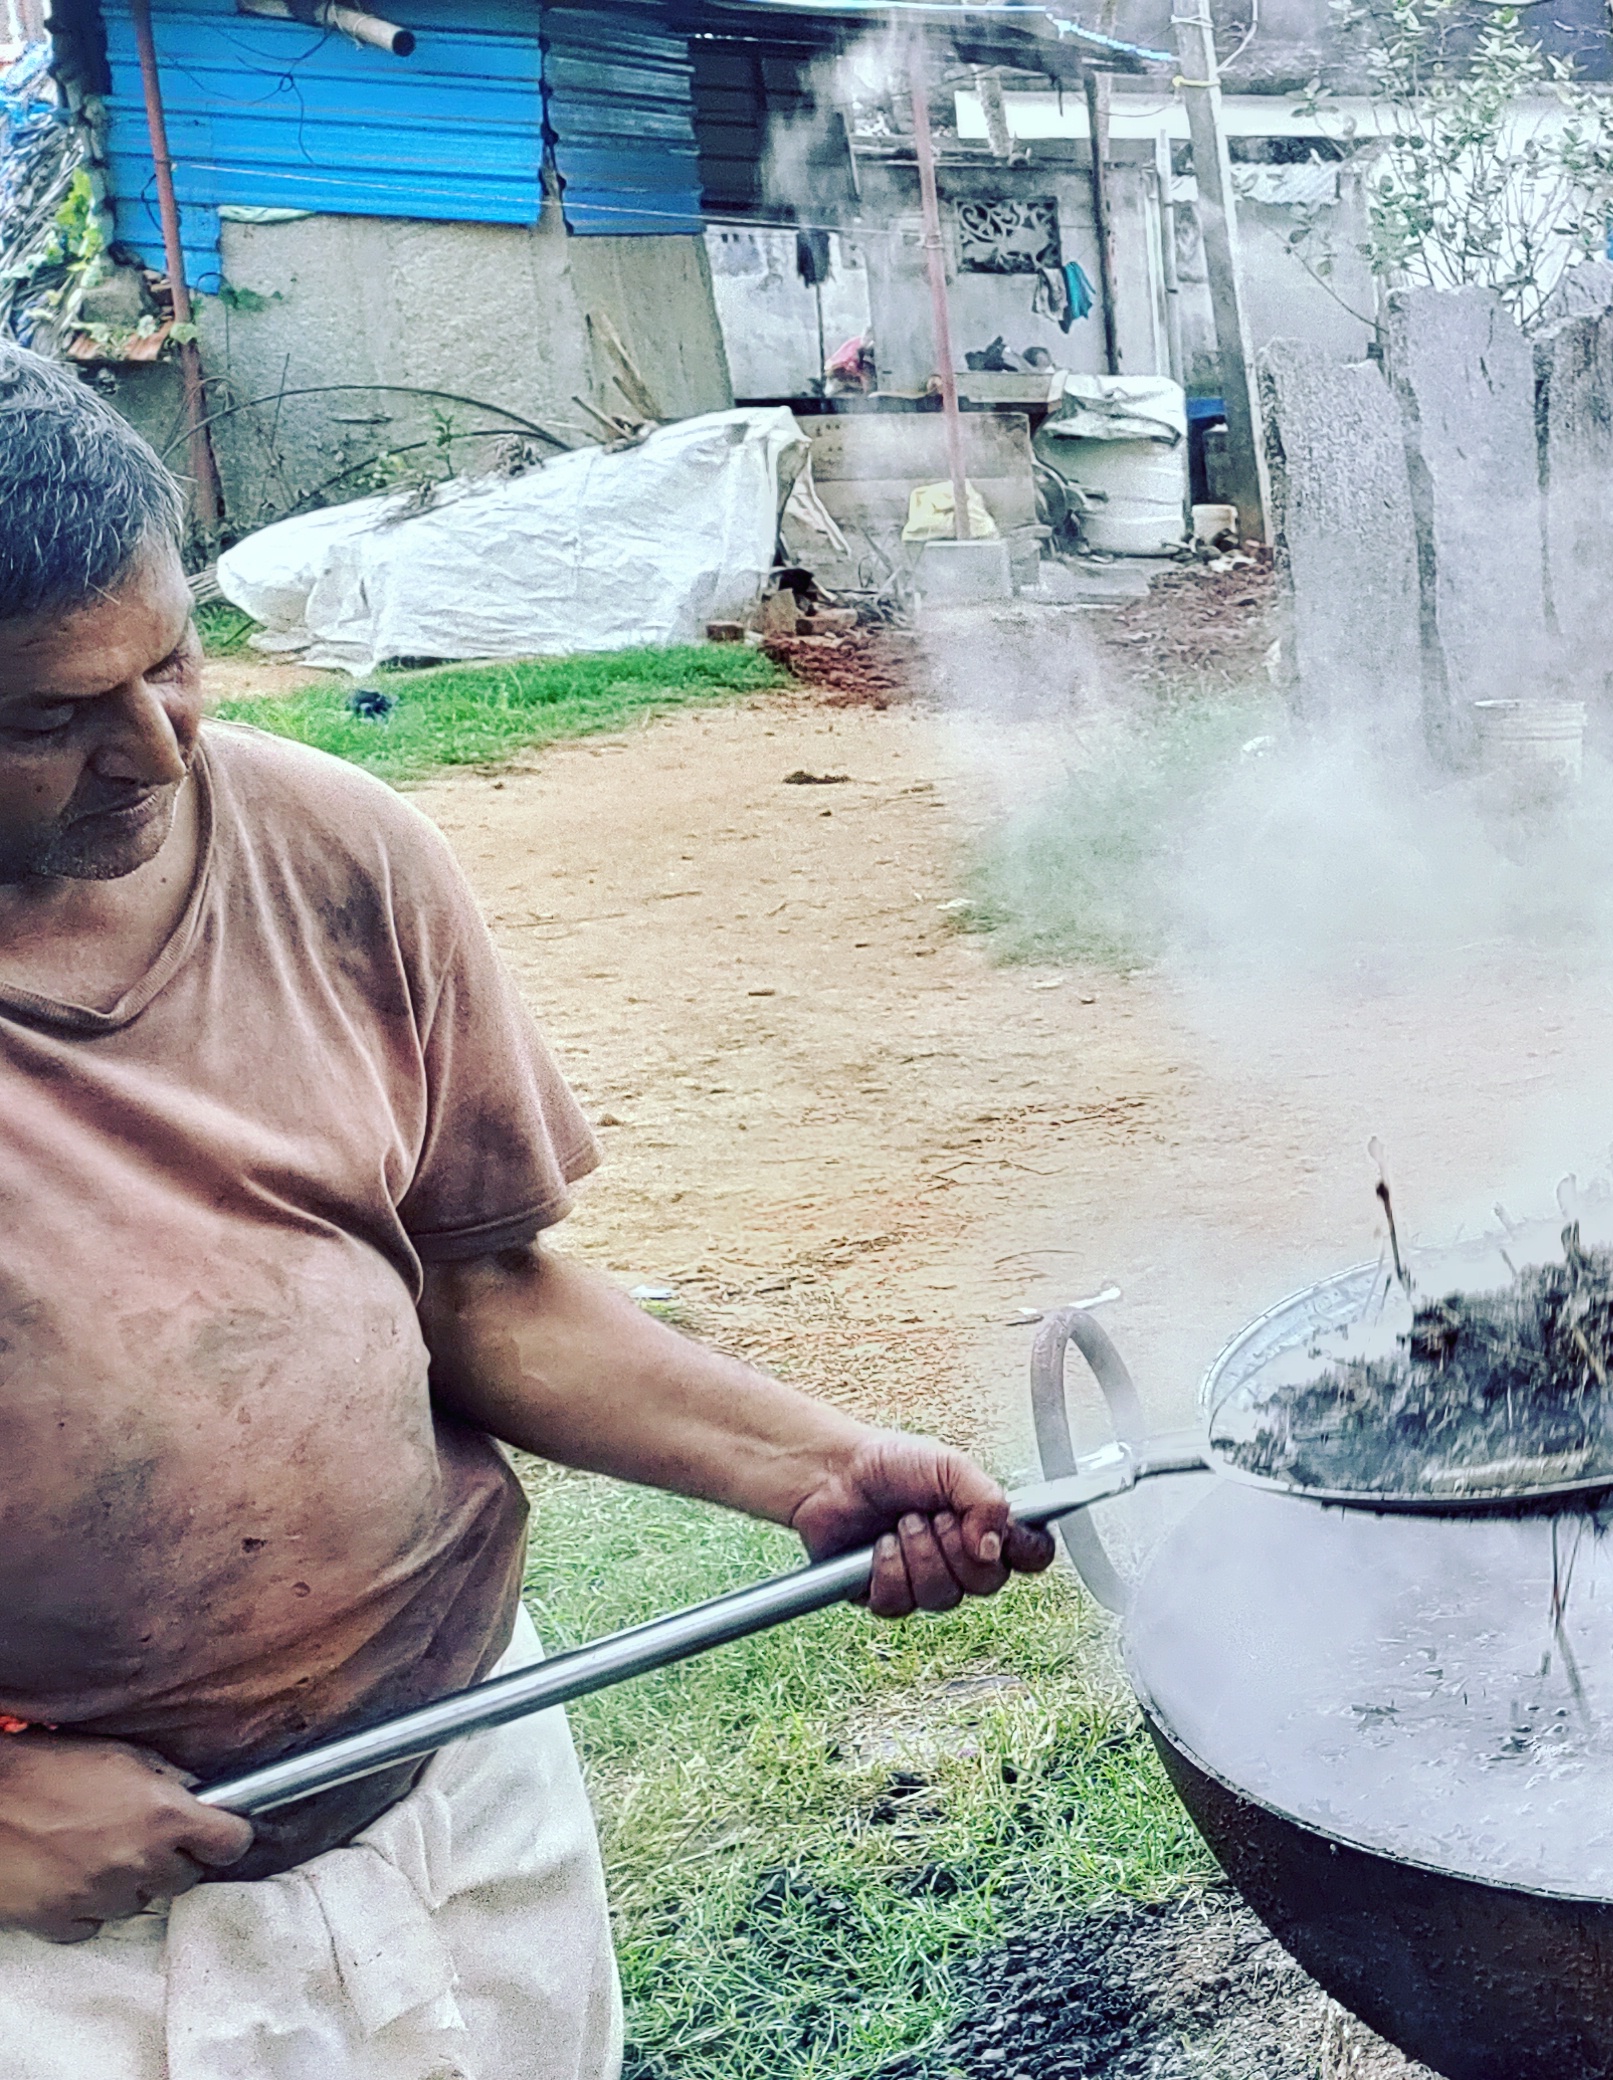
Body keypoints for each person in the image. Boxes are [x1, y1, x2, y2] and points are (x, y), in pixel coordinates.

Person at [0, 344, 1051, 2075]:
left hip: (463, 1785)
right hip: (68, 1943)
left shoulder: (336, 851)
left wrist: (806, 1465)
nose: (154, 751)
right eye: (44, 717)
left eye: (173, 659)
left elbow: (480, 1298)